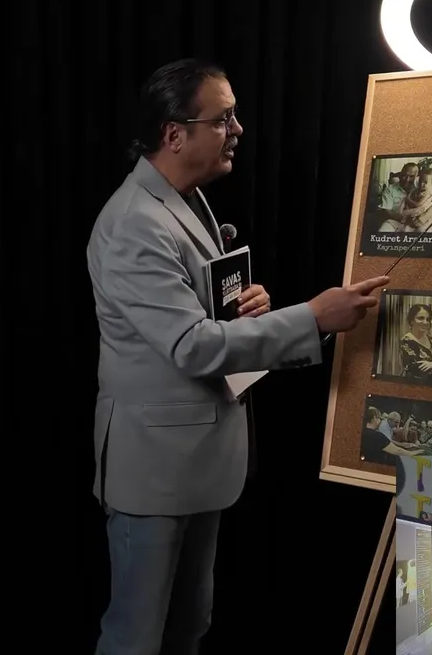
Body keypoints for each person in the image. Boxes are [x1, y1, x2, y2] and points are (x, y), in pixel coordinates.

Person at [86, 58, 388, 655]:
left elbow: (200, 318)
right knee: (136, 639)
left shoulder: (187, 198)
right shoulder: (134, 223)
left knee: (188, 626)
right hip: (154, 470)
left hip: (193, 460)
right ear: (175, 134)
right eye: (223, 119)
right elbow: (191, 345)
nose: (238, 130)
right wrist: (311, 317)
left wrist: (249, 308)